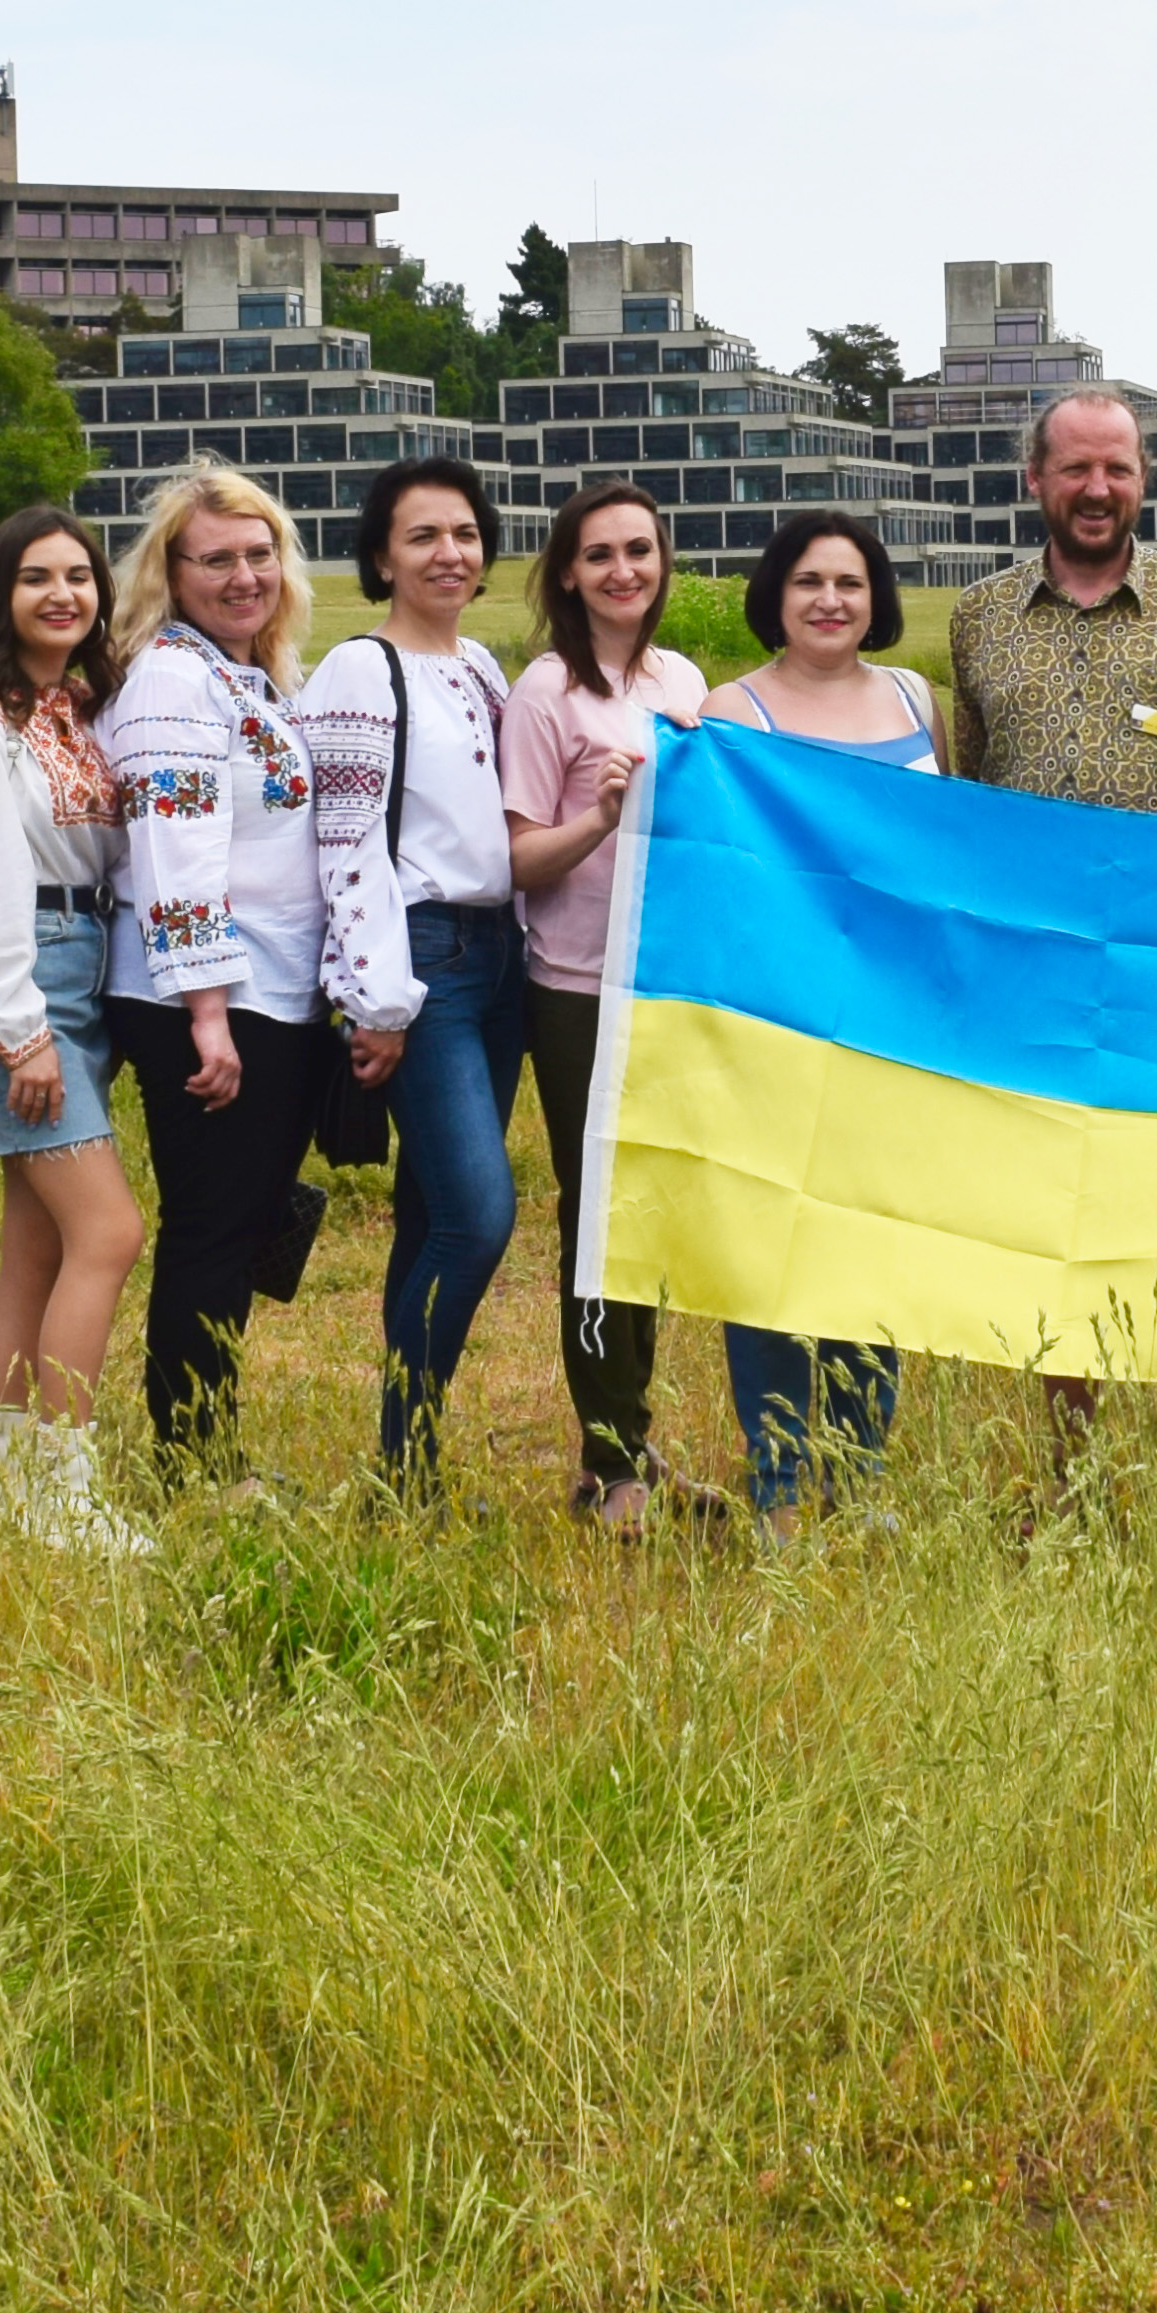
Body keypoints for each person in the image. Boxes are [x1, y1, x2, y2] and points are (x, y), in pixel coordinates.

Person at [947, 387, 1157, 1469]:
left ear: (1144, 479)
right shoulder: (977, 617)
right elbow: (972, 789)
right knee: (1058, 1216)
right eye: (1076, 470)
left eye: (1119, 469)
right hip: (1037, 973)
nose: (1098, 490)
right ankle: (1071, 1472)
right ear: (1034, 480)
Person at [0, 503, 153, 1557]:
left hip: (80, 971)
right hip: (13, 985)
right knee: (108, 1232)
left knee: (38, 1245)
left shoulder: (72, 707)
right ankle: (65, 1490)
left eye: (78, 577)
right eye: (35, 578)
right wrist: (20, 1031)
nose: (62, 594)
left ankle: (2, 1473)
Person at [701, 509, 939, 1532]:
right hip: (782, 1023)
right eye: (807, 582)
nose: (830, 600)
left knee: (870, 1244)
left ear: (875, 597)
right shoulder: (733, 709)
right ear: (775, 596)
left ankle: (860, 1464)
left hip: (898, 1022)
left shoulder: (917, 696)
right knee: (773, 1250)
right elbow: (724, 877)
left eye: (848, 581)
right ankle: (780, 1478)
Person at [97, 464, 330, 1478]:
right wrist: (206, 1013)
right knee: (209, 1230)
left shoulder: (243, 674)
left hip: (263, 993)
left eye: (258, 553)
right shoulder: (170, 680)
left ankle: (208, 1441)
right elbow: (173, 853)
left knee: (239, 1226)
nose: (243, 575)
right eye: (216, 559)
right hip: (203, 1000)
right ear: (171, 572)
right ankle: (190, 1459)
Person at [304, 456, 527, 1495]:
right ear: (382, 555)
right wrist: (376, 999)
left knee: (426, 1214)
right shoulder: (360, 669)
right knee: (479, 1215)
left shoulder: (482, 667)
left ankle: (405, 1471)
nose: (449, 552)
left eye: (464, 534)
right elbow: (345, 840)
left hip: (501, 957)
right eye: (423, 536)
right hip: (422, 960)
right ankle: (408, 1447)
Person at [503, 478, 712, 1530]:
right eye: (600, 555)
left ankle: (636, 1439)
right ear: (568, 573)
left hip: (665, 985)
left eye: (640, 549)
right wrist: (597, 817)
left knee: (647, 1218)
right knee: (592, 1217)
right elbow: (519, 858)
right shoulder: (546, 691)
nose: (623, 570)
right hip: (577, 987)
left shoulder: (683, 678)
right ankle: (607, 1458)